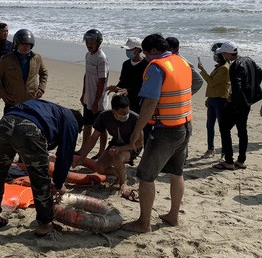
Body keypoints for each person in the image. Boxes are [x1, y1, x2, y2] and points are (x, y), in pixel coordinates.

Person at [121, 33, 193, 232]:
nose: (145, 57)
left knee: (145, 176)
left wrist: (136, 131)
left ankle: (144, 223)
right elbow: (193, 85)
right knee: (177, 172)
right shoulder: (181, 62)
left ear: (153, 50)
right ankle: (173, 216)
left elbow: (150, 103)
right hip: (185, 125)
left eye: (145, 53)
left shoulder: (156, 67)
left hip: (166, 130)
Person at [0, 99, 84, 236]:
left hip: (5, 123)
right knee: (40, 180)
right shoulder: (72, 121)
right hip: (29, 130)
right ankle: (44, 225)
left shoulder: (52, 109)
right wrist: (59, 182)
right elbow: (65, 155)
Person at [72, 94, 140, 199]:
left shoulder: (135, 118)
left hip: (131, 147)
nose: (126, 115)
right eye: (122, 113)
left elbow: (140, 143)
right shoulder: (104, 116)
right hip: (115, 144)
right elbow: (94, 137)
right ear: (114, 111)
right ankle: (119, 173)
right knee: (99, 167)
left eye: (127, 112)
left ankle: (123, 183)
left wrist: (121, 149)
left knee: (118, 157)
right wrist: (82, 157)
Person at [212, 41, 262, 171]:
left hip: (238, 103)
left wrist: (232, 101)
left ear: (227, 54)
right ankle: (241, 160)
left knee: (224, 128)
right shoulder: (248, 60)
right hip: (247, 102)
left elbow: (237, 87)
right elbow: (259, 72)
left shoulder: (234, 66)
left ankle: (229, 161)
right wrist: (251, 89)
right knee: (242, 130)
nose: (223, 56)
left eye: (223, 54)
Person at [0, 29, 47, 117]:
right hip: (13, 102)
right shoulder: (6, 59)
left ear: (31, 45)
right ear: (17, 44)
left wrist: (41, 88)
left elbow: (44, 73)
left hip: (31, 102)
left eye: (27, 44)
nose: (25, 47)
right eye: (22, 44)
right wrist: (2, 93)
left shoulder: (37, 58)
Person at [197, 42, 230, 158]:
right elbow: (213, 85)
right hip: (213, 99)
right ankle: (210, 149)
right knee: (209, 125)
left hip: (220, 100)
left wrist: (202, 70)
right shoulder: (220, 67)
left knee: (222, 128)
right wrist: (209, 97)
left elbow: (211, 82)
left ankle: (224, 152)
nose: (214, 57)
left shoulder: (224, 69)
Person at [80, 29, 109, 158]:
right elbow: (86, 75)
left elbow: (102, 81)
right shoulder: (88, 55)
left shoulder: (101, 58)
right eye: (87, 41)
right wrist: (84, 93)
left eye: (92, 42)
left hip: (98, 99)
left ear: (98, 42)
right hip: (88, 97)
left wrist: (97, 102)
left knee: (101, 128)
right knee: (87, 124)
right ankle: (83, 149)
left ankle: (101, 151)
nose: (89, 44)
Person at [106, 37, 148, 114]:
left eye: (129, 49)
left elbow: (145, 86)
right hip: (126, 102)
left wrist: (128, 91)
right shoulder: (126, 64)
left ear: (138, 49)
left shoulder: (146, 65)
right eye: (127, 49)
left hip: (139, 103)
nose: (127, 51)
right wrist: (116, 88)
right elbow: (123, 82)